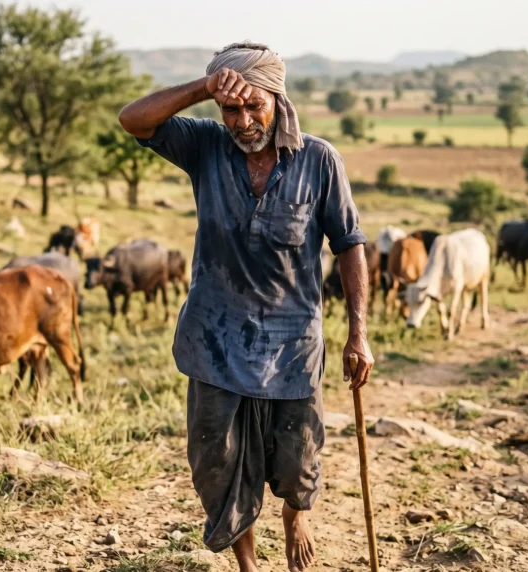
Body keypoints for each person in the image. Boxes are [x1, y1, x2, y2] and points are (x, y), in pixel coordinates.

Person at [118, 42, 375, 572]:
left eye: (253, 106)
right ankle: (248, 564)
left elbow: (348, 244)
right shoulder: (204, 146)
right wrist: (200, 88)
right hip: (214, 338)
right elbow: (132, 120)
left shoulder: (318, 160)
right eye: (230, 109)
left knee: (297, 457)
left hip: (292, 342)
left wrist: (358, 333)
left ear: (278, 100)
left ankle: (295, 515)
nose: (242, 120)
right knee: (221, 463)